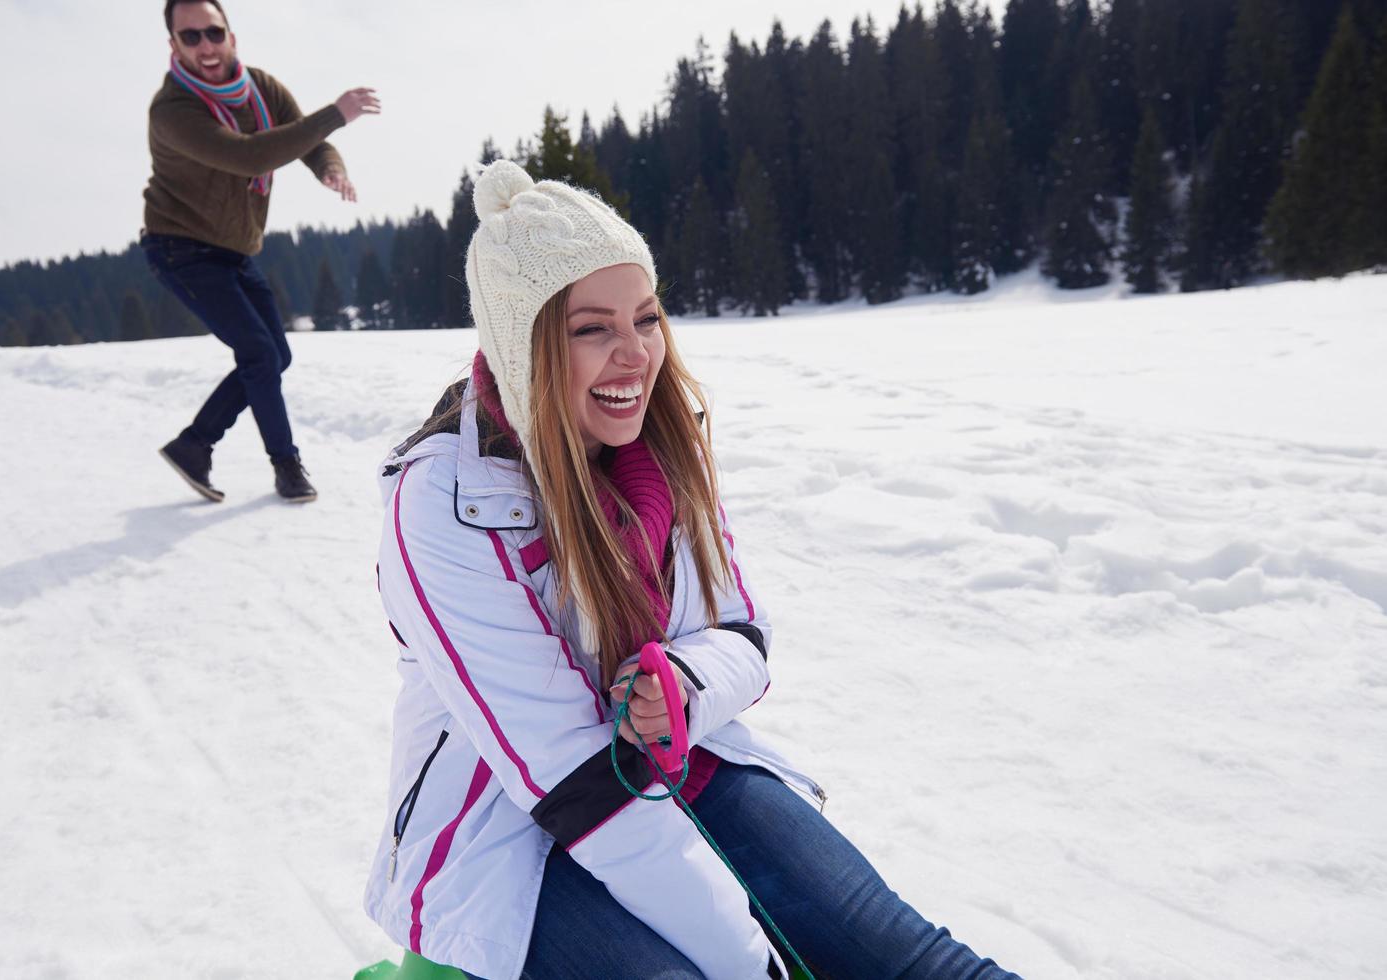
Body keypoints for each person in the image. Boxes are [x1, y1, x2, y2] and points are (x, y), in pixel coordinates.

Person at [363, 160, 1022, 980]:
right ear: (521, 344)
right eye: (591, 328)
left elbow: (741, 629)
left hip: (677, 763)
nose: (635, 355)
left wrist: (683, 684)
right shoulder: (444, 501)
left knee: (900, 953)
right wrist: (749, 961)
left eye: (646, 317)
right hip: (507, 827)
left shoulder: (660, 451)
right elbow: (566, 772)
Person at [142, 0, 379, 503]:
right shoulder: (173, 111)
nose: (205, 45)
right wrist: (338, 114)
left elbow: (305, 140)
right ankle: (286, 466)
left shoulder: (261, 89)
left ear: (231, 35)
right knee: (259, 352)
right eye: (191, 37)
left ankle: (194, 444)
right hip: (180, 248)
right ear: (174, 46)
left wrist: (329, 168)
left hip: (234, 249)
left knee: (275, 355)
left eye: (212, 32)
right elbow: (251, 155)